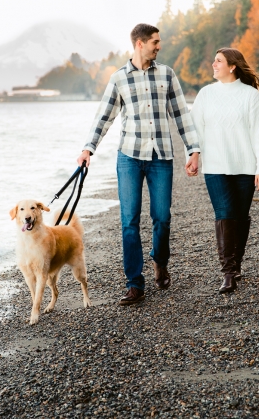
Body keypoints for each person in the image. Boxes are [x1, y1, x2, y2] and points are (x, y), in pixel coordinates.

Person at [77, 23, 200, 306]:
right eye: (155, 42)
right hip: (129, 157)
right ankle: (135, 284)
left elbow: (182, 115)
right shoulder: (119, 78)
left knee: (162, 218)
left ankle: (160, 261)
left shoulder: (167, 75)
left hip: (161, 157)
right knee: (129, 222)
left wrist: (193, 150)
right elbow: (103, 117)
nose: (159, 46)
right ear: (140, 44)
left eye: (159, 42)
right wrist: (88, 149)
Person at [186, 48, 259, 293]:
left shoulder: (249, 96)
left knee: (240, 216)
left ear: (232, 66)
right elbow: (196, 130)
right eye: (214, 60)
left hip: (245, 166)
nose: (213, 64)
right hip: (215, 166)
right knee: (224, 214)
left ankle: (236, 265)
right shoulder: (205, 94)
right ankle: (227, 272)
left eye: (218, 61)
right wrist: (193, 155)